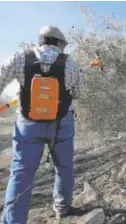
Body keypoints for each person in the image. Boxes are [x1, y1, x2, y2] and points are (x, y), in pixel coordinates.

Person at [0, 25, 84, 223]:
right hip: (61, 124)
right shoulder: (70, 62)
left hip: (28, 125)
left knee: (21, 172)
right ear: (58, 42)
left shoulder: (20, 57)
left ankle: (14, 220)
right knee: (64, 168)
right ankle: (63, 208)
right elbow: (79, 94)